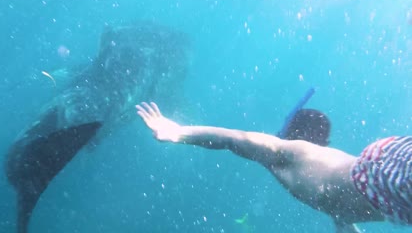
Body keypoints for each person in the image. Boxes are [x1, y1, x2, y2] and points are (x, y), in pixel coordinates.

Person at [136, 102, 412, 232]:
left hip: (391, 172)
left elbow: (235, 139)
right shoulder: (327, 169)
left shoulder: (297, 154)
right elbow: (342, 210)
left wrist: (177, 132)